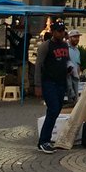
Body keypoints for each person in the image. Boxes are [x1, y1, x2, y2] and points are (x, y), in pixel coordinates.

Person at [36, 21, 71, 153]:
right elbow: (39, 66)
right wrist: (37, 85)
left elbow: (66, 61)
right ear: (53, 32)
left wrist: (69, 69)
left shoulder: (64, 45)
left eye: (63, 30)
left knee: (56, 110)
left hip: (61, 81)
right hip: (49, 82)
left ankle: (45, 139)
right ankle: (44, 140)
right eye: (59, 31)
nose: (62, 33)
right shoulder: (46, 46)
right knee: (53, 108)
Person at [65, 29, 83, 102]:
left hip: (75, 77)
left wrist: (78, 75)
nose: (77, 39)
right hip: (67, 76)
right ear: (70, 37)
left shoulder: (77, 50)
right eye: (75, 37)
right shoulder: (65, 47)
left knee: (75, 97)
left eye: (78, 37)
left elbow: (78, 64)